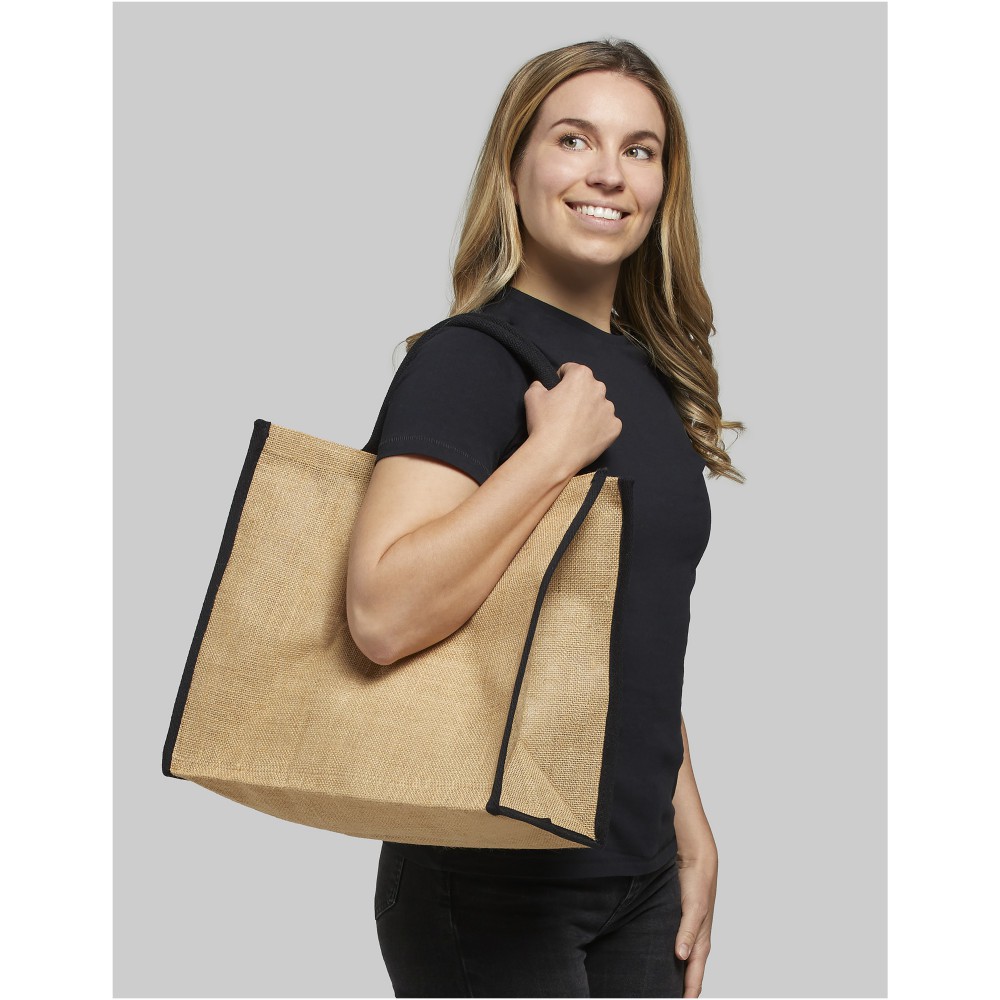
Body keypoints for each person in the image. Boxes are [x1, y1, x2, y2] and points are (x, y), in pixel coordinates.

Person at [346, 37, 744, 999]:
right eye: (574, 139)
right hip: (490, 873)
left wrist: (689, 827)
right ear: (515, 164)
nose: (609, 173)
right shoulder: (468, 359)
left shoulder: (647, 379)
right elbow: (381, 615)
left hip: (639, 875)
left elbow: (623, 629)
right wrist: (547, 458)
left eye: (640, 150)